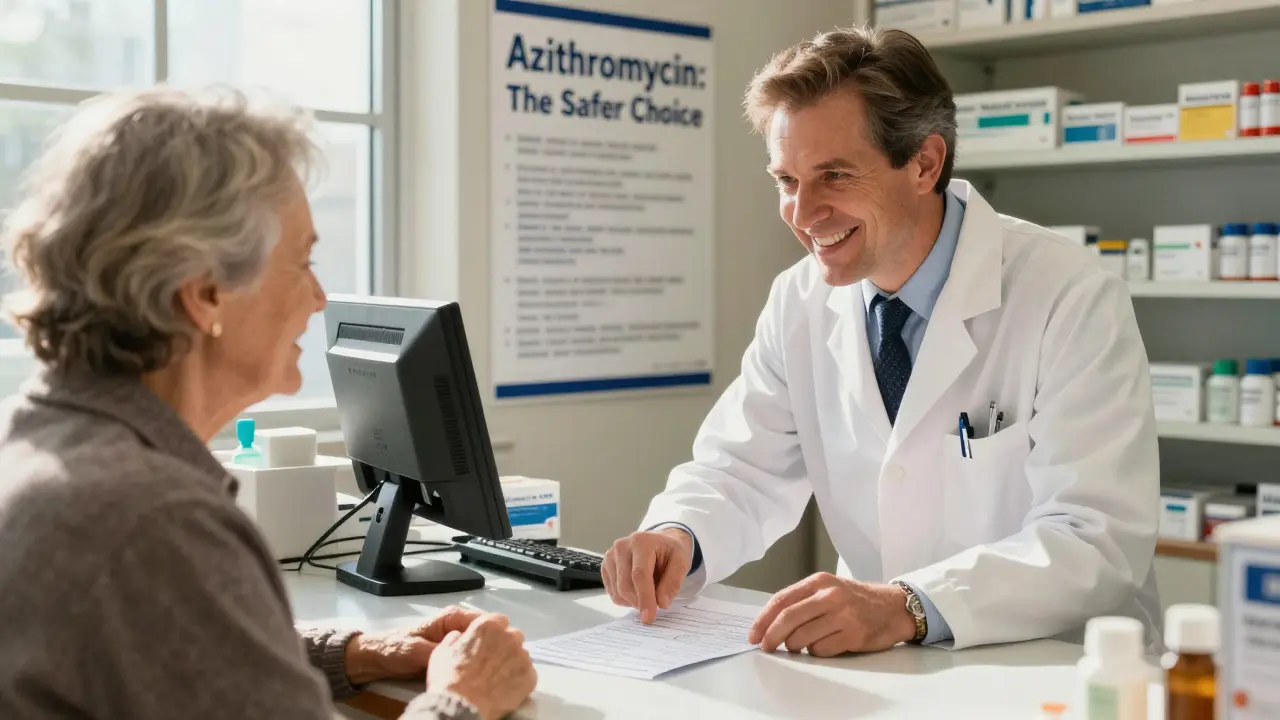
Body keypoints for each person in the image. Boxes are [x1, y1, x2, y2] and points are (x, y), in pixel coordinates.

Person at [602, 26, 1162, 654]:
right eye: (787, 180)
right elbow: (741, 468)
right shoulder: (799, 300)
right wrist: (679, 535)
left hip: (1053, 667)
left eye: (834, 176)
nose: (801, 212)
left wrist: (908, 606)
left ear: (924, 164)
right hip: (882, 666)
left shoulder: (1068, 293)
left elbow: (1094, 535)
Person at [0, 87, 535, 720]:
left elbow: (173, 646)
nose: (318, 298)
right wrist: (464, 698)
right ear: (206, 295)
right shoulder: (153, 520)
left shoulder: (46, 444)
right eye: (302, 262)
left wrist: (360, 651)